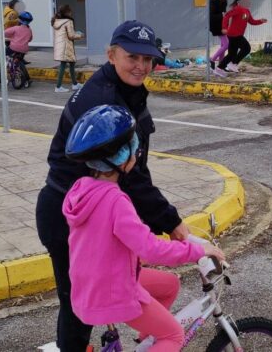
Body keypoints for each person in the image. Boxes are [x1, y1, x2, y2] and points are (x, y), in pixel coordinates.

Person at [37, 20, 193, 352]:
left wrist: (160, 219)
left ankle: (143, 338)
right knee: (79, 307)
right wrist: (171, 223)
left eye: (148, 59)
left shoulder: (124, 89)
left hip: (88, 207)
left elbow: (136, 168)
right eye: (132, 57)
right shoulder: (104, 101)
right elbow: (132, 178)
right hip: (69, 213)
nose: (141, 66)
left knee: (116, 286)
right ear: (111, 55)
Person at [62, 105, 224, 352]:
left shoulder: (81, 190)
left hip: (91, 285)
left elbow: (102, 240)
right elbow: (151, 250)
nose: (136, 152)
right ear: (119, 157)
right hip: (112, 292)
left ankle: (145, 343)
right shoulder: (115, 200)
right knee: (173, 335)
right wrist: (198, 251)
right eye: (132, 147)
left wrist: (132, 256)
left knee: (169, 285)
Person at [215, 0, 266, 77]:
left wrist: (261, 21)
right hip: (234, 35)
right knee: (246, 48)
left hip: (236, 35)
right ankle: (232, 64)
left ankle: (220, 68)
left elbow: (252, 21)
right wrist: (224, 27)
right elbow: (227, 16)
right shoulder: (237, 9)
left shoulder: (246, 11)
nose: (249, 1)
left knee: (232, 54)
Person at [52, 5, 84, 93]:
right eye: (70, 11)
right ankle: (58, 87)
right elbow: (71, 35)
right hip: (66, 46)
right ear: (66, 12)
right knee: (64, 65)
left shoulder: (57, 21)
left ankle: (74, 84)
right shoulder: (68, 21)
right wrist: (80, 35)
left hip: (60, 45)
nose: (71, 12)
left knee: (70, 63)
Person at [208, 0, 229, 69]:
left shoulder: (224, 0)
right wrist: (222, 15)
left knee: (223, 45)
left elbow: (224, 11)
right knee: (227, 45)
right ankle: (212, 59)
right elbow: (212, 16)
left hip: (223, 23)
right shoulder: (214, 1)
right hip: (216, 24)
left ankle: (221, 65)